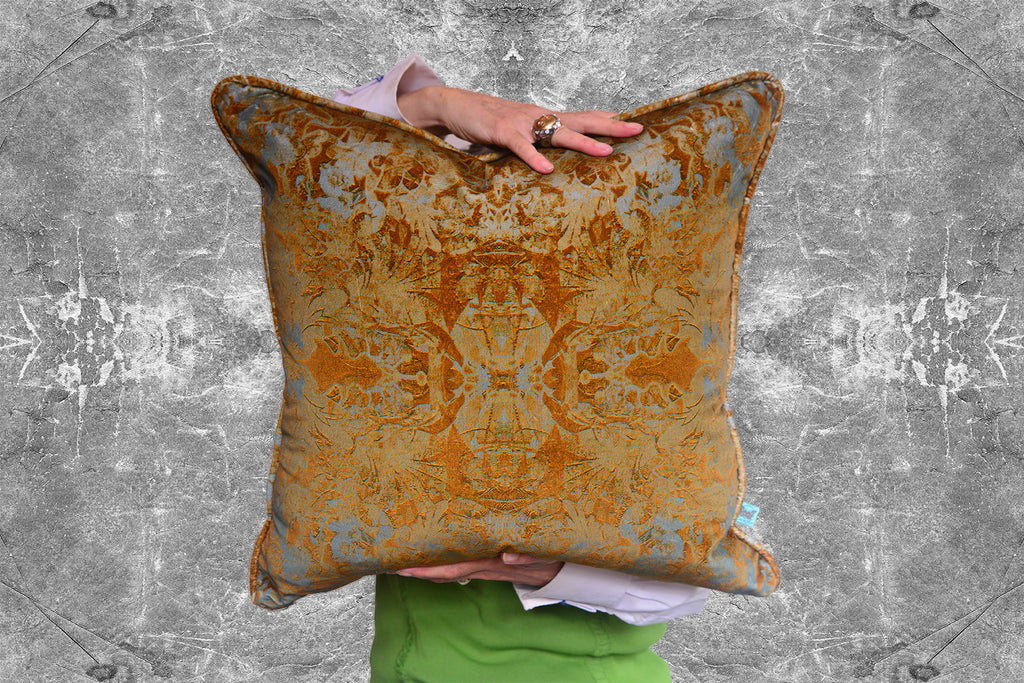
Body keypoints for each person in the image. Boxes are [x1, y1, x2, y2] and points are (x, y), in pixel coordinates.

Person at [332, 53, 709, 682]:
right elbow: (305, 151)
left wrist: (540, 568)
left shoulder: (647, 357)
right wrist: (438, 104)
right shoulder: (415, 346)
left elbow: (698, 571)